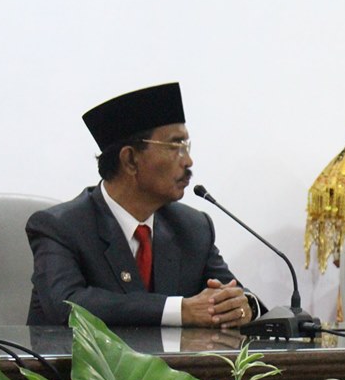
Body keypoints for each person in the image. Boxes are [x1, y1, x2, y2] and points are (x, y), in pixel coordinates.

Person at [27, 82, 264, 327]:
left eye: (187, 146)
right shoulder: (60, 227)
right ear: (130, 160)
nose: (188, 161)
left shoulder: (192, 227)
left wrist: (241, 306)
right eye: (175, 146)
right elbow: (67, 305)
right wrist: (178, 310)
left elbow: (232, 292)